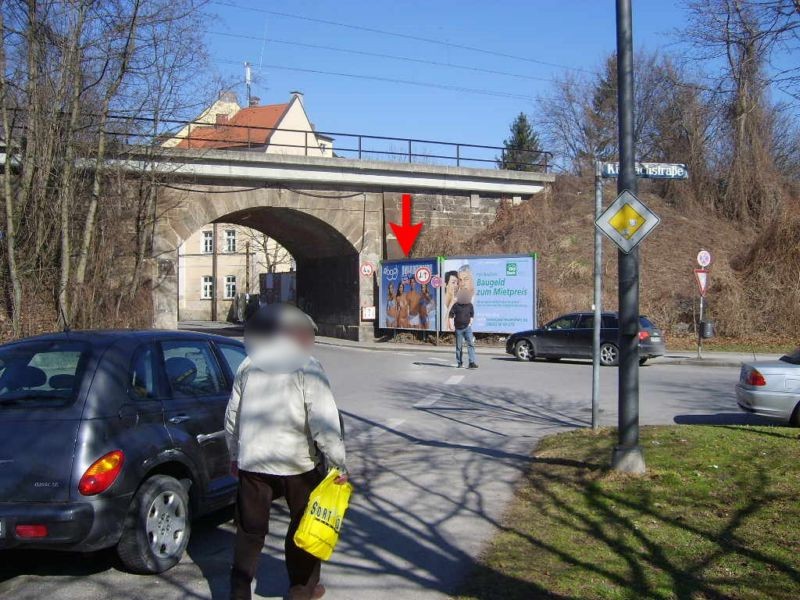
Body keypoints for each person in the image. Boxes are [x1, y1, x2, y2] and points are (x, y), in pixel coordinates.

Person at [225, 304, 348, 600]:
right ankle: (301, 591)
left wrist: (233, 455)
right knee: (305, 529)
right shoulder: (307, 365)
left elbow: (232, 416)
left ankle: (239, 593)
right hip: (298, 465)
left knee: (249, 533)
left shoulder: (249, 363)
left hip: (253, 463)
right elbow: (324, 421)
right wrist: (338, 465)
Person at [448, 288, 478, 369]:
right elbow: (450, 315)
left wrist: (470, 323)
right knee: (459, 347)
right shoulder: (456, 305)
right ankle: (459, 363)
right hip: (458, 329)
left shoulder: (470, 305)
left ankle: (471, 362)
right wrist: (451, 325)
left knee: (471, 344)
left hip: (467, 328)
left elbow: (472, 314)